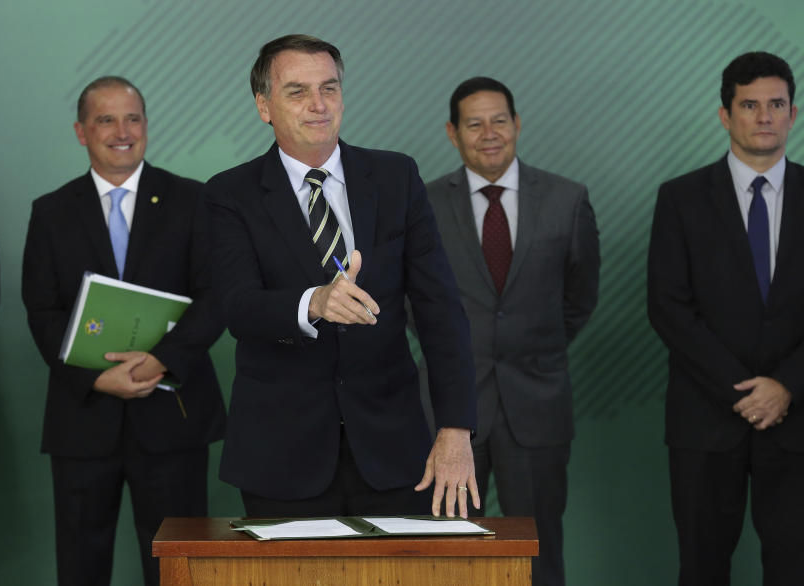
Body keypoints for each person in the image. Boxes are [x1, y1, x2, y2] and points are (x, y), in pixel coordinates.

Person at [205, 34, 478, 519]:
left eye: (329, 88)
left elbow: (440, 310)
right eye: (297, 92)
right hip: (280, 457)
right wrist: (313, 302)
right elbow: (237, 306)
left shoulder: (396, 177)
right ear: (264, 105)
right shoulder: (230, 193)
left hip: (397, 454)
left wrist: (455, 428)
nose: (318, 105)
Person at [21, 76, 226, 586]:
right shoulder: (50, 212)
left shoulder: (192, 200)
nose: (121, 131)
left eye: (132, 118)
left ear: (146, 126)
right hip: (83, 421)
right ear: (81, 131)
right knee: (81, 565)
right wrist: (93, 378)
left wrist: (163, 360)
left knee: (179, 567)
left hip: (172, 419)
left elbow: (217, 296)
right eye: (105, 119)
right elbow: (42, 310)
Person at [424, 77, 599, 586]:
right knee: (443, 554)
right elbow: (414, 303)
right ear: (452, 133)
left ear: (517, 124)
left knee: (539, 551)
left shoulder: (567, 199)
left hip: (537, 401)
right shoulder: (426, 203)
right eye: (474, 123)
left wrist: (533, 347)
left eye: (499, 120)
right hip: (450, 410)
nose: (489, 133)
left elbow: (579, 297)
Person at [648, 51, 804, 586]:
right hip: (705, 422)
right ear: (725, 114)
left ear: (793, 113)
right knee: (702, 568)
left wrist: (785, 385)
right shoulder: (681, 199)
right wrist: (743, 390)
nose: (764, 116)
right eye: (750, 105)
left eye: (775, 104)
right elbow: (667, 307)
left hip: (798, 420)